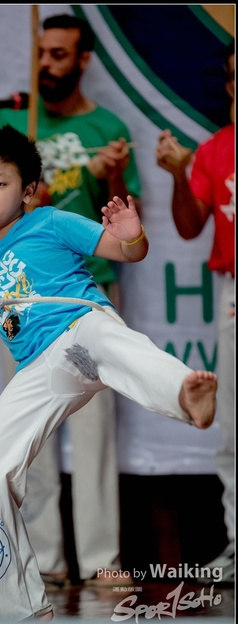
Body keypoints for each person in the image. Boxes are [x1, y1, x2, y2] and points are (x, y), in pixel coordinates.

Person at [0, 124, 217, 621]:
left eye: (0, 183)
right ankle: (19, 609)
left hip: (79, 331)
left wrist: (132, 235)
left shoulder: (52, 222)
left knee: (110, 342)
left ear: (28, 190)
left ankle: (185, 395)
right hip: (41, 370)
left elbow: (129, 252)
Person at [0, 12, 140, 587]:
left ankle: (103, 559)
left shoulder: (107, 126)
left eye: (59, 55)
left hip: (83, 288)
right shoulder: (8, 122)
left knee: (95, 421)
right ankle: (44, 558)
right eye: (41, 53)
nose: (47, 64)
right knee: (30, 422)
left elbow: (124, 220)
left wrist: (114, 177)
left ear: (82, 61)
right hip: (16, 291)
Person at [155, 43, 235, 585]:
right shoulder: (215, 149)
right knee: (232, 429)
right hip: (235, 296)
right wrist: (180, 176)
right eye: (234, 77)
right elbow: (189, 226)